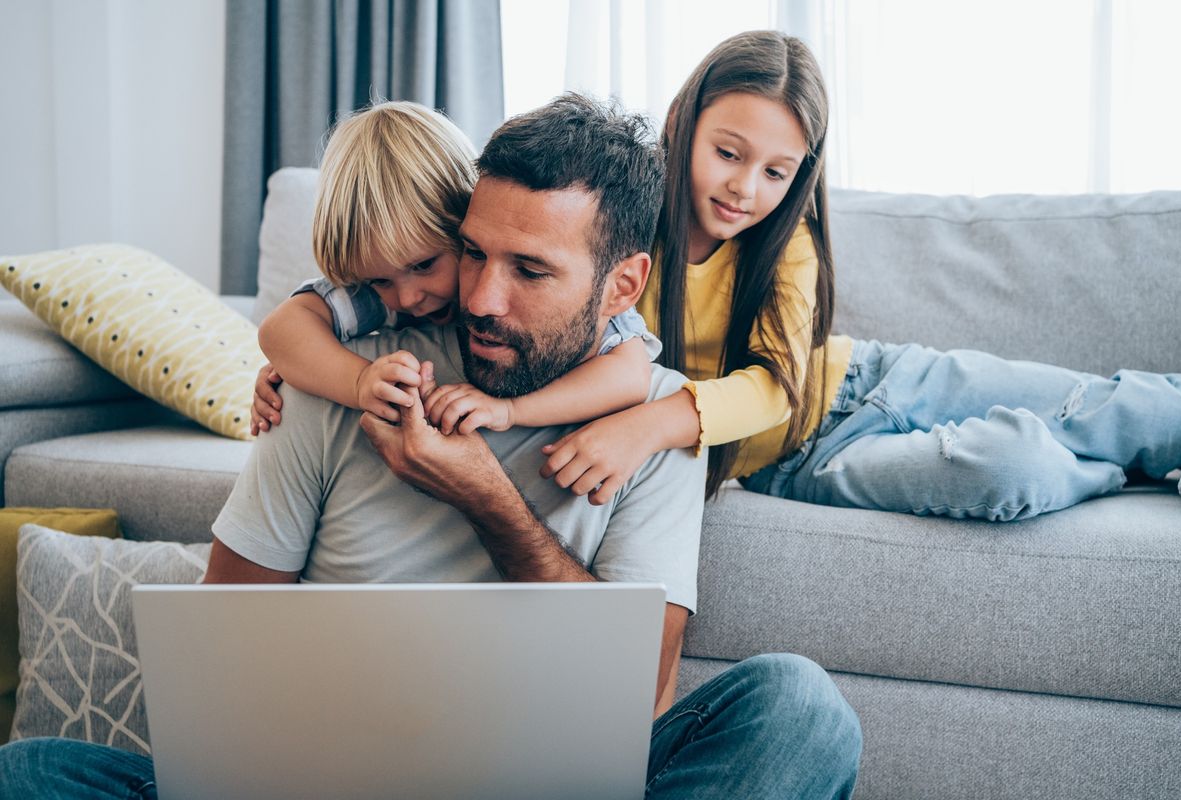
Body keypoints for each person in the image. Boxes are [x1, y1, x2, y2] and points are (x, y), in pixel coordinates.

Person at [0, 95, 862, 799]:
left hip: (545, 786)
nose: (482, 299)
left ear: (622, 285)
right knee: (31, 773)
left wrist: (484, 494)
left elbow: (636, 696)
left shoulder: (655, 423)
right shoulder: (352, 376)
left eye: (530, 272)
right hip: (324, 782)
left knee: (799, 709)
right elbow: (224, 640)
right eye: (473, 255)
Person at [539, 29, 1181, 521]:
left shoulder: (786, 239)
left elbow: (777, 388)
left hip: (875, 379)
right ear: (685, 123)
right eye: (727, 153)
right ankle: (1126, 472)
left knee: (1128, 409)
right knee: (1011, 471)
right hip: (801, 462)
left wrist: (652, 424)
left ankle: (1156, 449)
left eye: (776, 171)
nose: (744, 188)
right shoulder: (626, 231)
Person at [250, 99, 657, 440]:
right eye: (378, 280)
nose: (408, 298)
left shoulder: (594, 305)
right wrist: (350, 380)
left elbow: (630, 377)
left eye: (425, 265)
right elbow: (281, 330)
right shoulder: (384, 297)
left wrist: (512, 411)